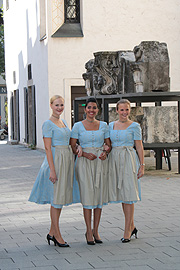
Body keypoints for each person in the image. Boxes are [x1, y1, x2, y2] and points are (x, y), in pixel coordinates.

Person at [29, 95, 79, 248]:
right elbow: (47, 148)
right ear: (51, 105)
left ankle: (51, 232)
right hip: (56, 161)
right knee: (56, 199)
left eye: (62, 105)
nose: (60, 108)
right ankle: (57, 235)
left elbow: (70, 141)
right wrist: (52, 170)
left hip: (66, 160)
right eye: (57, 105)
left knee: (60, 199)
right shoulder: (48, 124)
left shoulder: (63, 122)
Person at [70, 97, 111, 245]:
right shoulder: (77, 126)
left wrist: (105, 153)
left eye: (94, 108)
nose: (91, 110)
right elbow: (72, 146)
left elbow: (108, 144)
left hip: (100, 163)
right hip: (84, 163)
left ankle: (96, 230)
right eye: (89, 107)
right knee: (88, 197)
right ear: (85, 109)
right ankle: (88, 230)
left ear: (97, 110)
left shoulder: (104, 125)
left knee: (98, 198)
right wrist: (85, 154)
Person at [108, 99, 144, 243]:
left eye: (127, 110)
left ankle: (127, 230)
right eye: (121, 110)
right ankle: (132, 225)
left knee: (128, 194)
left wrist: (141, 165)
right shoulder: (111, 125)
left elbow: (139, 146)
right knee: (123, 195)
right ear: (117, 111)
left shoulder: (135, 126)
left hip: (129, 159)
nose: (124, 112)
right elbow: (107, 144)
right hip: (115, 160)